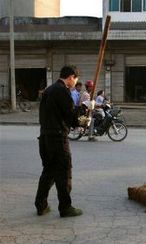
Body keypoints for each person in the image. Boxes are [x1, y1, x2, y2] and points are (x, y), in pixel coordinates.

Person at [35, 65, 90, 218]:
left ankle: (41, 205)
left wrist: (81, 119)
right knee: (64, 174)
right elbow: (72, 117)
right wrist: (85, 108)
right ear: (71, 77)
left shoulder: (49, 90)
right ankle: (66, 208)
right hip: (58, 139)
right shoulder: (62, 91)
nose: (75, 83)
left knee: (48, 173)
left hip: (45, 138)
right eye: (76, 79)